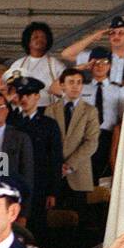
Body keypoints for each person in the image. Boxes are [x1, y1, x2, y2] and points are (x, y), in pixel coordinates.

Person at [7, 76, 62, 232]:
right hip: (13, 183)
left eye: (29, 95)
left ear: (37, 96)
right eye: (21, 95)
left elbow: (55, 159)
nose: (24, 99)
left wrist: (52, 192)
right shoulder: (11, 122)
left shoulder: (48, 124)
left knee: (37, 229)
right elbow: (2, 154)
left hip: (39, 185)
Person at [44, 68, 100, 203]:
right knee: (53, 218)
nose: (75, 86)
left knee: (78, 219)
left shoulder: (90, 111)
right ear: (62, 85)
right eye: (71, 82)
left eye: (79, 82)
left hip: (79, 174)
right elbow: (46, 142)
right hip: (53, 175)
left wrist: (69, 165)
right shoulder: (50, 109)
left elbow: (91, 142)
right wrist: (56, 165)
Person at [80, 47, 124, 184]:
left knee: (107, 175)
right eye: (95, 62)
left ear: (110, 65)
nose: (100, 66)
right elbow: (55, 89)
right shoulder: (81, 88)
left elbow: (123, 117)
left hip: (109, 137)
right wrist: (80, 67)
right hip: (85, 137)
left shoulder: (118, 90)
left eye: (104, 62)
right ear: (89, 65)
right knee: (86, 175)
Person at [7, 21, 66, 106]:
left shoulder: (57, 65)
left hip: (50, 111)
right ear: (28, 41)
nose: (40, 40)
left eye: (43, 37)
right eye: (35, 37)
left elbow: (65, 91)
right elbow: (10, 91)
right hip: (23, 112)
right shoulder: (17, 65)